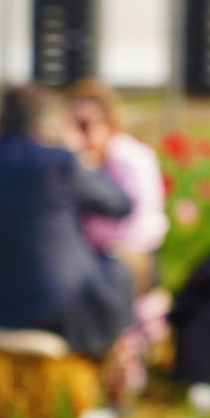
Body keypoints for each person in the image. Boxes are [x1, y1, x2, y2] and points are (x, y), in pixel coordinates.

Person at [0, 85, 133, 359]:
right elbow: (119, 204)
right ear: (43, 122)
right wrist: (77, 152)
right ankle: (109, 373)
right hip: (49, 309)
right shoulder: (59, 163)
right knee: (118, 270)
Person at [63, 78, 168, 294]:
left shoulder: (128, 156)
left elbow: (141, 218)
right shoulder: (83, 159)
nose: (78, 135)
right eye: (72, 124)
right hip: (94, 257)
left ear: (108, 123)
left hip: (129, 255)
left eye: (84, 125)